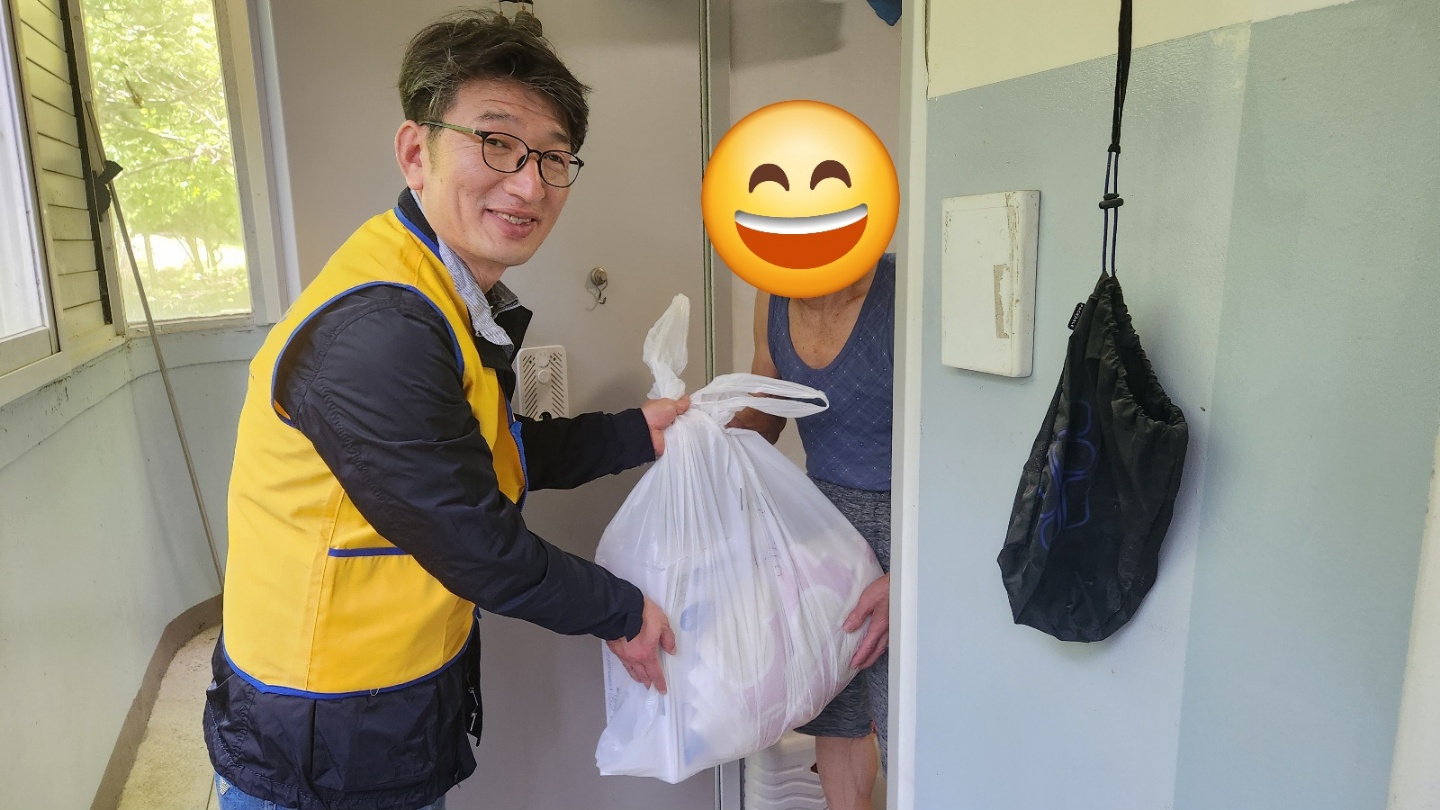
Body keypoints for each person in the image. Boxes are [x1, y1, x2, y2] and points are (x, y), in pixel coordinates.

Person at [203, 10, 685, 810]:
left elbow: (482, 451)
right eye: (495, 142)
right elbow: (479, 546)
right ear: (414, 152)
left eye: (552, 156)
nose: (528, 183)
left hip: (380, 702)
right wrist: (624, 614)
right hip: (320, 734)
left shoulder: (439, 291)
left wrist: (635, 431)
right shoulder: (379, 331)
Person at [730, 253, 896, 810]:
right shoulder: (772, 297)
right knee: (835, 709)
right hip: (824, 522)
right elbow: (766, 415)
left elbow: (962, 442)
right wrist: (709, 435)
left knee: (905, 719)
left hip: (912, 520)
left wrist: (913, 574)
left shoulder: (904, 291)